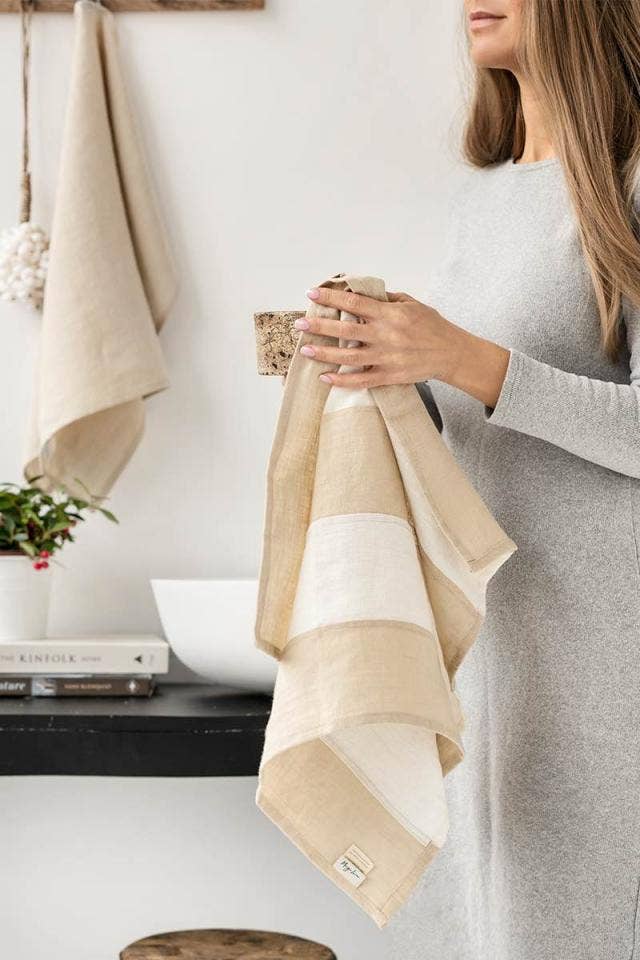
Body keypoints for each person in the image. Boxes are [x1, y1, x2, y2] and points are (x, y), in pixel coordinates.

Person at [291, 1, 640, 958]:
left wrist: (462, 355)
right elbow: (493, 424)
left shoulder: (630, 185)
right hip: (488, 644)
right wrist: (379, 378)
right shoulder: (484, 200)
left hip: (611, 665)